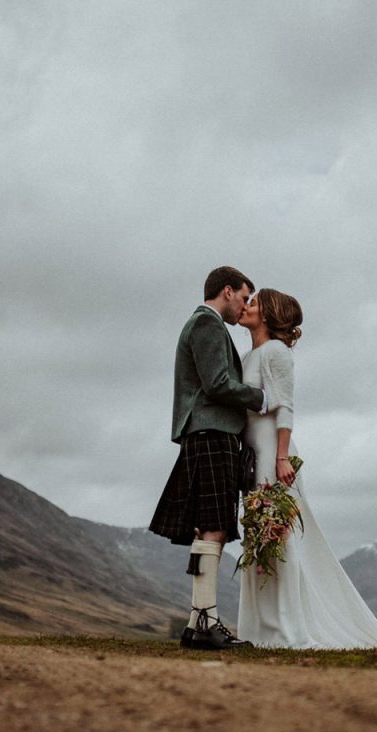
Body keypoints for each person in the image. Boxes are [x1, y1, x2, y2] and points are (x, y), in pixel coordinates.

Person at [236, 288, 377, 650]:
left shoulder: (276, 353)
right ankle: (260, 628)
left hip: (273, 456)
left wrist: (280, 458)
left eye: (254, 303)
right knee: (258, 537)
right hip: (253, 457)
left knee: (279, 538)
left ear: (269, 314)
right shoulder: (249, 355)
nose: (247, 307)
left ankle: (287, 628)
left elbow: (286, 408)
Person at [149, 266, 268, 650]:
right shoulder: (207, 324)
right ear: (228, 291)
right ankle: (206, 623)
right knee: (214, 526)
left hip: (204, 434)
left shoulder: (204, 325)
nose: (245, 306)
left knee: (206, 527)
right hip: (212, 433)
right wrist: (259, 397)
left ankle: (197, 622)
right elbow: (217, 383)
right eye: (245, 298)